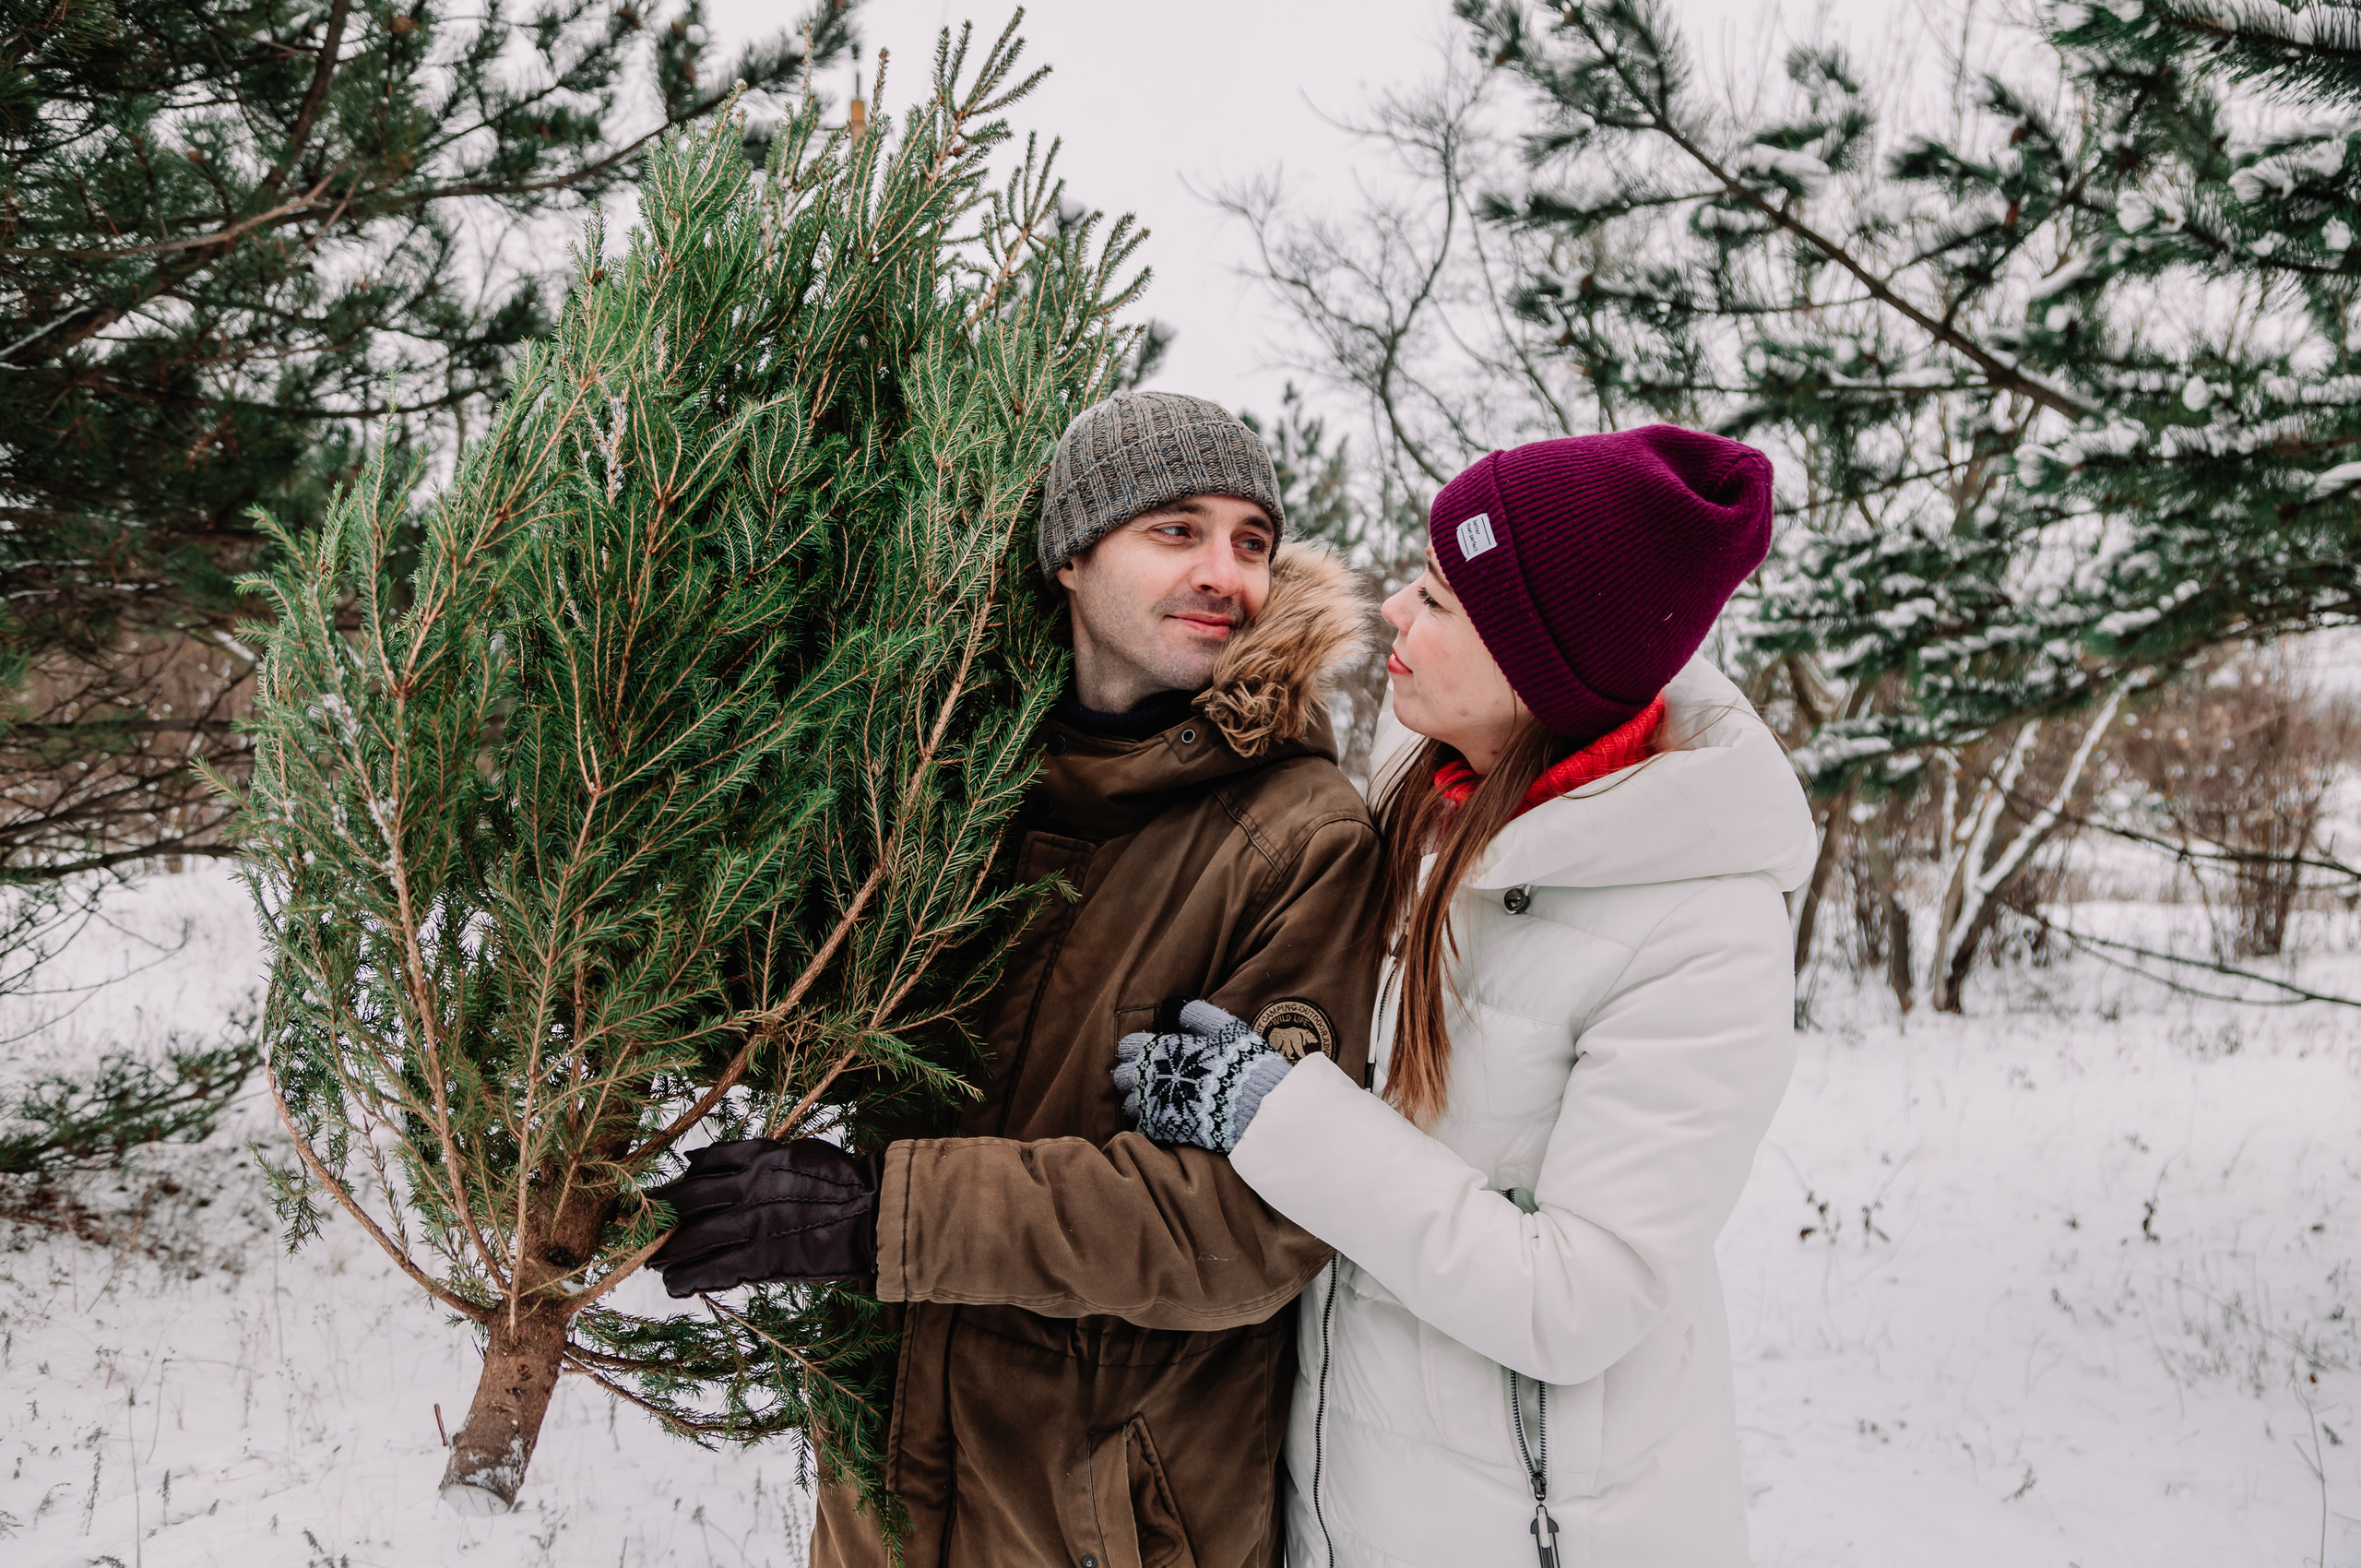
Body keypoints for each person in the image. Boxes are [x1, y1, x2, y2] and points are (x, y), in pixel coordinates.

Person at [649, 390, 1387, 1568]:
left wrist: (883, 1214)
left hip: (1113, 1513)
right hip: (888, 1491)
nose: (1225, 573)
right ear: (1070, 556)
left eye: (1252, 540)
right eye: (1177, 529)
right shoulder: (938, 784)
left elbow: (1251, 1224)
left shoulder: (1299, 836)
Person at [1120, 426, 1818, 1566]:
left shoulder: (1702, 929)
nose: (1395, 608)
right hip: (1347, 1494)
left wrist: (1272, 1112)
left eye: (1439, 598)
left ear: (1537, 670)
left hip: (1538, 1532)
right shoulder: (1427, 791)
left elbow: (1575, 1299)